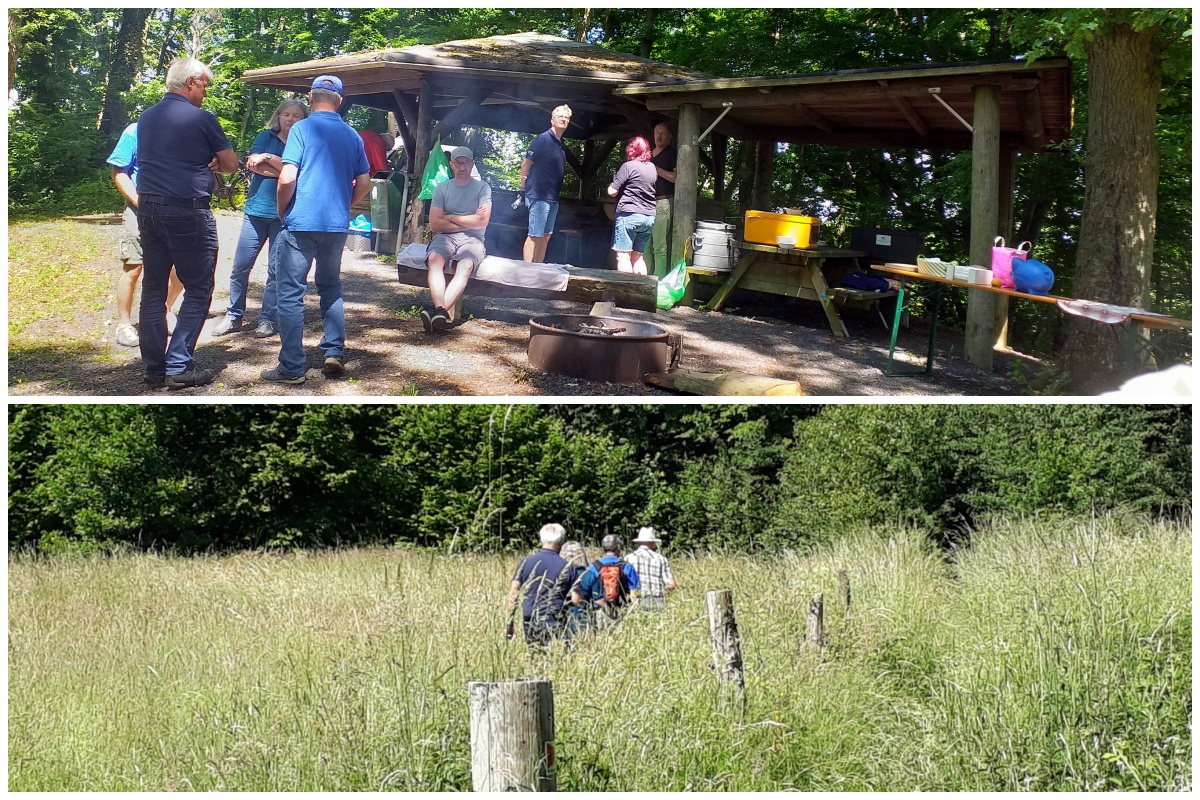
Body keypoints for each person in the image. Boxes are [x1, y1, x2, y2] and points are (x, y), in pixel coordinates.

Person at [135, 57, 238, 388]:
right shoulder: (202, 119)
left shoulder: (146, 118)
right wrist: (213, 162)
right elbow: (231, 164)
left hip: (148, 208)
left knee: (153, 287)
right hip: (187, 211)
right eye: (205, 84)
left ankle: (154, 368)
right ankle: (178, 365)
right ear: (191, 82)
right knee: (198, 287)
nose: (206, 91)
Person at [261, 75, 371, 386]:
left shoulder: (302, 128)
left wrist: (283, 210)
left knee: (291, 293)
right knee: (330, 287)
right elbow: (363, 184)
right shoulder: (353, 136)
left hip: (301, 222)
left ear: (310, 97)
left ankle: (292, 368)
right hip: (335, 225)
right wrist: (342, 206)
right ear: (341, 100)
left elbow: (286, 177)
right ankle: (333, 351)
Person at [212, 99, 310, 338]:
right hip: (255, 213)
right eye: (286, 114)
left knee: (276, 271)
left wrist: (268, 158)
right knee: (240, 267)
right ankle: (234, 315)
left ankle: (266, 319)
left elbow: (298, 173)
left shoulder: (303, 142)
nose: (289, 119)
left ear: (303, 119)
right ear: (278, 116)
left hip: (282, 214)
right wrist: (282, 168)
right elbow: (254, 166)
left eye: (295, 115)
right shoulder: (265, 136)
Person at [106, 121, 184, 348]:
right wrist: (139, 202)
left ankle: (165, 309)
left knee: (179, 267)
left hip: (176, 209)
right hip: (139, 207)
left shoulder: (186, 130)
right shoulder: (135, 130)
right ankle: (124, 324)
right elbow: (119, 171)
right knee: (134, 266)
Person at [420, 146, 492, 333]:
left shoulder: (482, 188)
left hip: (473, 240)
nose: (462, 166)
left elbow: (483, 222)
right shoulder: (441, 189)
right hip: (445, 238)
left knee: (465, 265)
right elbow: (435, 225)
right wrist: (471, 220)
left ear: (472, 164)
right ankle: (441, 312)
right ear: (452, 164)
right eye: (458, 162)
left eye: (466, 162)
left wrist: (450, 217)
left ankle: (438, 311)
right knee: (434, 259)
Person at [506, 523, 574, 646]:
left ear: (542, 539)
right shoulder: (568, 567)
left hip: (529, 618)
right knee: (556, 660)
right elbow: (576, 598)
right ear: (562, 541)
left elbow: (513, 593)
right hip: (555, 619)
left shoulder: (525, 562)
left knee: (535, 657)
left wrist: (509, 623)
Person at [519, 105, 571, 263]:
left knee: (546, 235)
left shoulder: (560, 144)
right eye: (560, 116)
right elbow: (525, 164)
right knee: (534, 234)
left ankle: (538, 268)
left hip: (552, 198)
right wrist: (523, 188)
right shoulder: (543, 139)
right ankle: (527, 269)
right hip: (539, 195)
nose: (563, 119)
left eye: (566, 118)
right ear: (552, 120)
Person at [606, 137, 657, 276]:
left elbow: (612, 192)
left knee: (623, 256)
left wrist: (611, 185)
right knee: (638, 256)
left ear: (631, 150)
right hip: (648, 217)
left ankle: (625, 294)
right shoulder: (652, 168)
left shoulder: (628, 166)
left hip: (629, 216)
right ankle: (642, 293)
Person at [573, 534, 640, 627]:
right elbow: (634, 594)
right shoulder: (627, 566)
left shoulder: (593, 567)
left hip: (600, 612)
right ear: (619, 547)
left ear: (602, 549)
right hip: (622, 612)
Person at [646, 122, 678, 277]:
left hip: (663, 202)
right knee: (645, 245)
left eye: (662, 133)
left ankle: (658, 281)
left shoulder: (672, 154)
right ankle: (645, 279)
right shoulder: (648, 154)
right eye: (656, 132)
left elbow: (676, 178)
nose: (659, 136)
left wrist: (656, 169)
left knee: (659, 246)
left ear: (669, 136)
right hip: (645, 203)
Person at [623, 526, 677, 611]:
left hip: (636, 600)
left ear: (638, 543)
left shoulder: (628, 558)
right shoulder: (661, 559)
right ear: (653, 543)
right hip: (658, 601)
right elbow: (671, 585)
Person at [558, 540, 593, 639]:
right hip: (584, 618)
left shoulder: (560, 574)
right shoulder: (589, 574)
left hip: (562, 619)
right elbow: (598, 600)